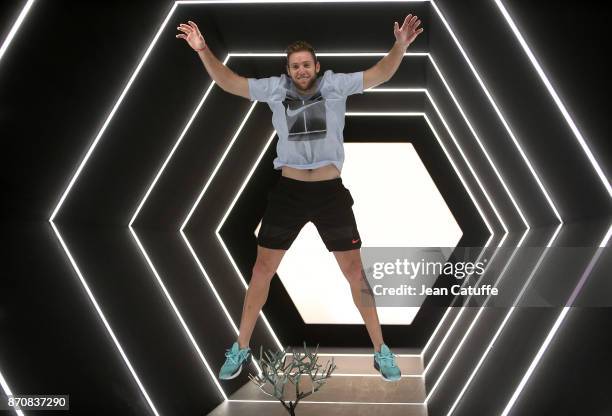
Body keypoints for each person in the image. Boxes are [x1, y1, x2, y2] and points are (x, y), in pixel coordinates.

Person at [176, 14, 424, 382]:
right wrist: (203, 51)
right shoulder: (276, 89)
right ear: (288, 70)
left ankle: (381, 351)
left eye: (306, 64)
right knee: (262, 271)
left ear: (317, 66)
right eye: (295, 66)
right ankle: (240, 348)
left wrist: (400, 46)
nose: (301, 70)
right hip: (289, 192)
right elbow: (229, 82)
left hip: (329, 192)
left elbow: (380, 73)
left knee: (355, 274)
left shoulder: (336, 85)